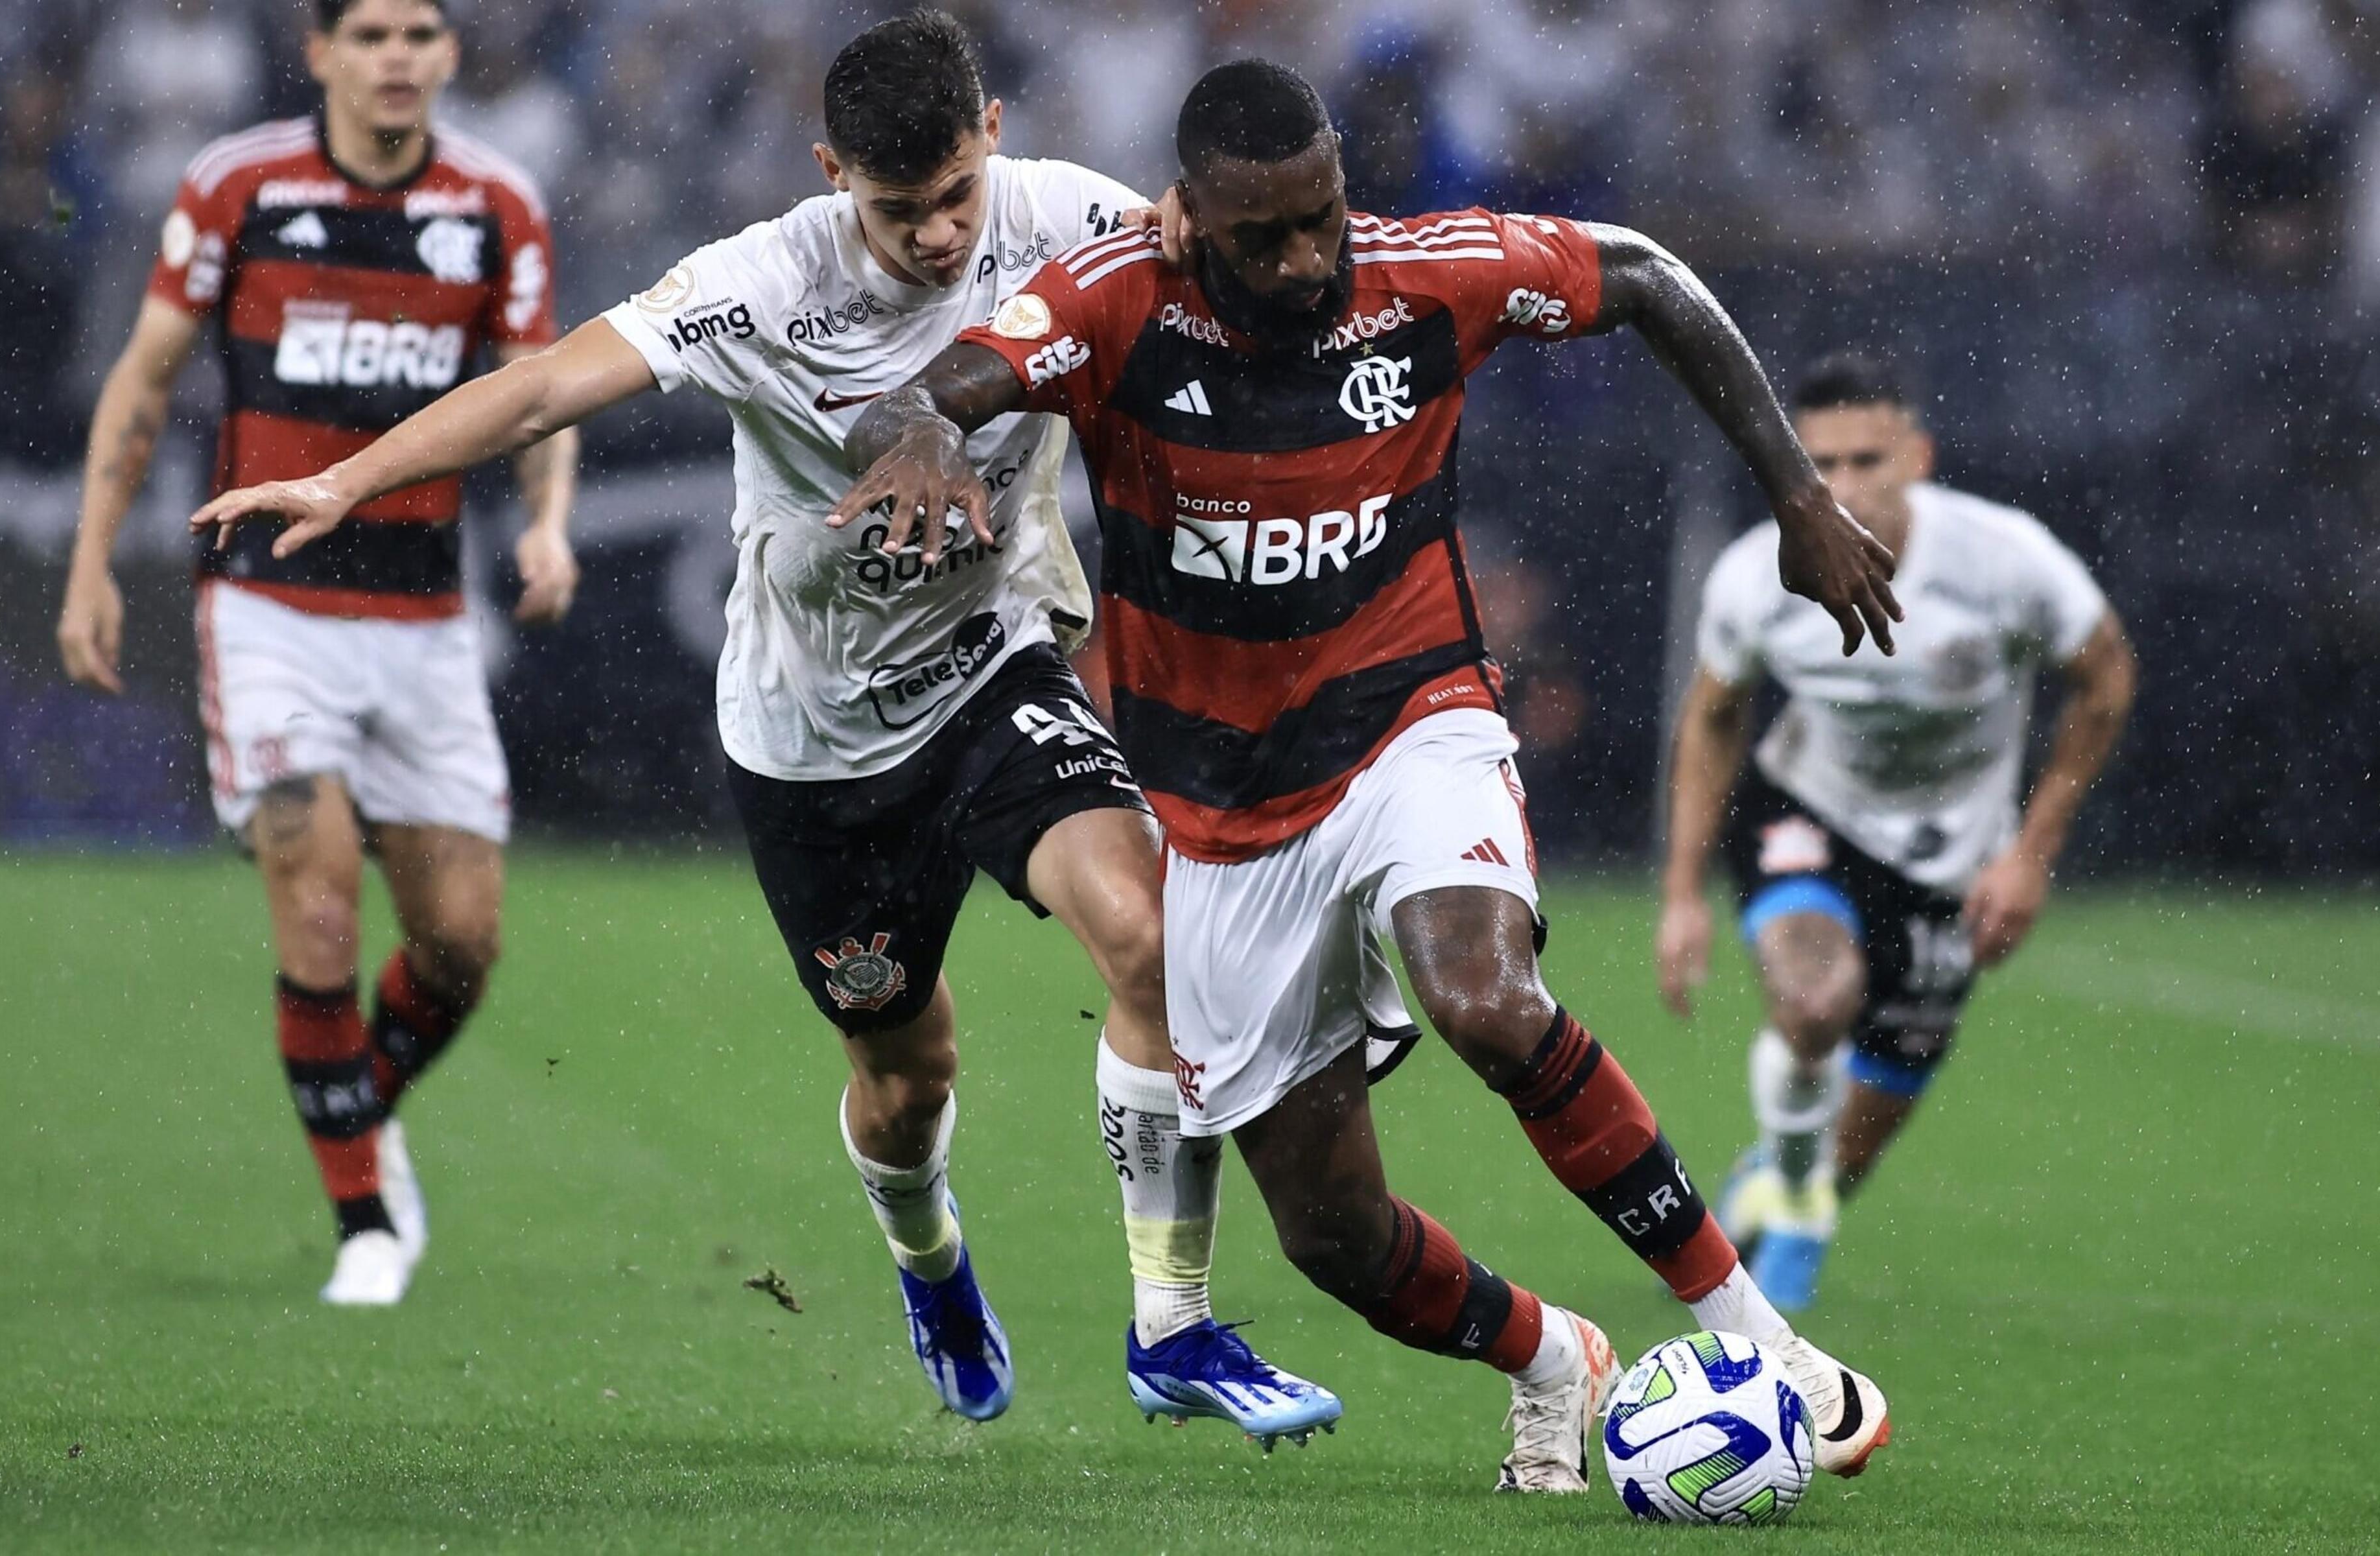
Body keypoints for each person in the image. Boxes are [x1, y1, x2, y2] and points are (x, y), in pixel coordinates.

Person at [185, 12, 1345, 1443]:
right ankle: (930, 1265)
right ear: (831, 172)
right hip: (813, 743)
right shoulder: (758, 282)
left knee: (1149, 937)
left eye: (955, 200)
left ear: (992, 133)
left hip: (992, 671)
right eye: (896, 206)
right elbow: (545, 383)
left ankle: (1171, 1322)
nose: (934, 236)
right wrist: (346, 481)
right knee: (907, 1079)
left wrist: (1197, 226)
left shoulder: (1064, 216)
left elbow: (1229, 249)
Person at [831, 58, 1900, 1494]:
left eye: (1322, 213)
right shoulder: (1114, 305)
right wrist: (912, 434)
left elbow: (1644, 277)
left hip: (1413, 725)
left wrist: (1795, 492)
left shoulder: (1429, 277)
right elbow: (932, 390)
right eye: (1264, 235)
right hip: (1220, 826)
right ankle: (1551, 1359)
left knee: (1486, 998)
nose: (1307, 255)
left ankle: (1760, 1337)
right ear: (1191, 222)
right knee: (1332, 1237)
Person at [56, 0, 576, 1308]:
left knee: (460, 944)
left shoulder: (497, 204)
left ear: (450, 55)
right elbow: (145, 377)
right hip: (269, 604)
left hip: (423, 615)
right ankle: (363, 1226)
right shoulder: (238, 186)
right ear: (323, 53)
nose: (398, 56)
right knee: (320, 883)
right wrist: (89, 567)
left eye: (420, 32)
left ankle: (355, 1107)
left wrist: (552, 526)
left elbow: (541, 387)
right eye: (372, 34)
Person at [1656, 353, 2137, 1309]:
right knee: (1816, 1003)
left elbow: (2108, 677)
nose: (1840, 487)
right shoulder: (1758, 577)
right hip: (1806, 811)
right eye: (1818, 464)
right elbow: (1712, 718)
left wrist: (2030, 855)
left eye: (1866, 460)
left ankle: (1785, 1172)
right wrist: (1680, 896)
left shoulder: (2007, 561)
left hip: (1954, 855)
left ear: (1917, 455)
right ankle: (1793, 1203)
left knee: (1859, 1141)